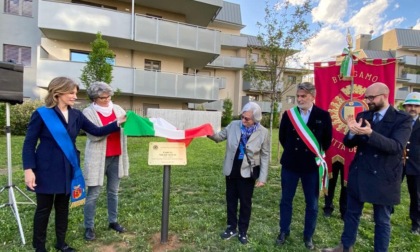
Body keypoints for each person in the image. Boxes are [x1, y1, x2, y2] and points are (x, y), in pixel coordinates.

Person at [22, 77, 126, 252]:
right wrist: (28, 169)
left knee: (63, 208)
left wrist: (117, 123)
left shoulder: (77, 114)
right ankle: (39, 247)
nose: (74, 96)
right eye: (71, 92)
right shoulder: (41, 114)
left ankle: (61, 243)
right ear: (58, 93)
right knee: (43, 209)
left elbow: (96, 131)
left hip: (67, 167)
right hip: (45, 169)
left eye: (75, 93)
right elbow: (29, 143)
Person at [322, 82, 412, 252]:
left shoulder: (402, 119)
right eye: (367, 98)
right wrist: (352, 132)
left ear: (384, 96)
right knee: (352, 214)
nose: (368, 101)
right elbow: (349, 144)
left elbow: (396, 147)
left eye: (371, 97)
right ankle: (345, 246)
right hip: (360, 172)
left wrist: (370, 134)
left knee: (382, 220)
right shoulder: (364, 115)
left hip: (384, 176)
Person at [276, 82, 333, 250]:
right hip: (291, 165)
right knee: (286, 200)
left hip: (311, 168)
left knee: (312, 204)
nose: (299, 99)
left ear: (312, 97)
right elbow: (283, 137)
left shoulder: (323, 115)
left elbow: (327, 141)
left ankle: (308, 236)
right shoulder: (289, 115)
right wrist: (295, 154)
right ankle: (284, 231)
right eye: (298, 96)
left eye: (303, 96)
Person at [208, 102, 269, 245]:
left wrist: (263, 177)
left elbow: (265, 155)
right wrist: (207, 132)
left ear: (255, 119)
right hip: (232, 169)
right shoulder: (233, 125)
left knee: (245, 203)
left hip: (248, 172)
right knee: (231, 200)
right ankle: (231, 227)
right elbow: (219, 137)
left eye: (247, 119)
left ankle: (243, 230)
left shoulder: (263, 132)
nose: (243, 120)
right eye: (242, 117)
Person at [83, 82, 129, 241]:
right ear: (94, 98)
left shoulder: (118, 109)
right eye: (103, 97)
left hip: (117, 155)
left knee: (113, 192)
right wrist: (115, 124)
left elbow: (126, 129)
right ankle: (88, 226)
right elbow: (94, 136)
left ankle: (113, 221)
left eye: (109, 96)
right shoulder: (88, 112)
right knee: (93, 194)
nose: (108, 99)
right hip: (97, 158)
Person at [402, 92, 420, 234]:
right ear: (405, 107)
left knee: (416, 195)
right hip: (397, 163)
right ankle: (386, 214)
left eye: (416, 105)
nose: (413, 108)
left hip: (416, 165)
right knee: (390, 189)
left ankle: (416, 223)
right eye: (409, 105)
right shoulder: (399, 120)